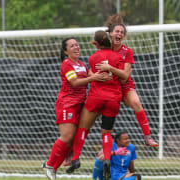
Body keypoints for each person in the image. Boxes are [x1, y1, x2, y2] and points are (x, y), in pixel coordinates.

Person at [42, 37, 110, 180]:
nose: (76, 47)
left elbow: (91, 74)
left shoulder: (81, 64)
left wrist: (105, 73)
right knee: (67, 137)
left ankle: (55, 166)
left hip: (80, 104)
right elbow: (74, 82)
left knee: (72, 137)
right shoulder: (66, 64)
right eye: (72, 46)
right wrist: (94, 78)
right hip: (67, 104)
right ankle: (49, 165)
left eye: (77, 45)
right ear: (66, 51)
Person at [66, 30, 129, 180]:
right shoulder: (119, 57)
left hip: (96, 97)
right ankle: (107, 158)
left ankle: (75, 158)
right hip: (113, 99)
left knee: (83, 128)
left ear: (95, 43)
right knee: (106, 132)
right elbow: (123, 78)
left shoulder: (93, 58)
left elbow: (93, 75)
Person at [96, 14, 158, 147]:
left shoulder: (127, 52)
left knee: (136, 103)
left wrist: (110, 68)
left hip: (124, 86)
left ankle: (148, 137)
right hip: (108, 87)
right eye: (117, 31)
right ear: (111, 33)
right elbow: (96, 67)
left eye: (122, 32)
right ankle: (74, 148)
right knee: (91, 117)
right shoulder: (103, 49)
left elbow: (124, 76)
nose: (119, 34)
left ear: (124, 36)